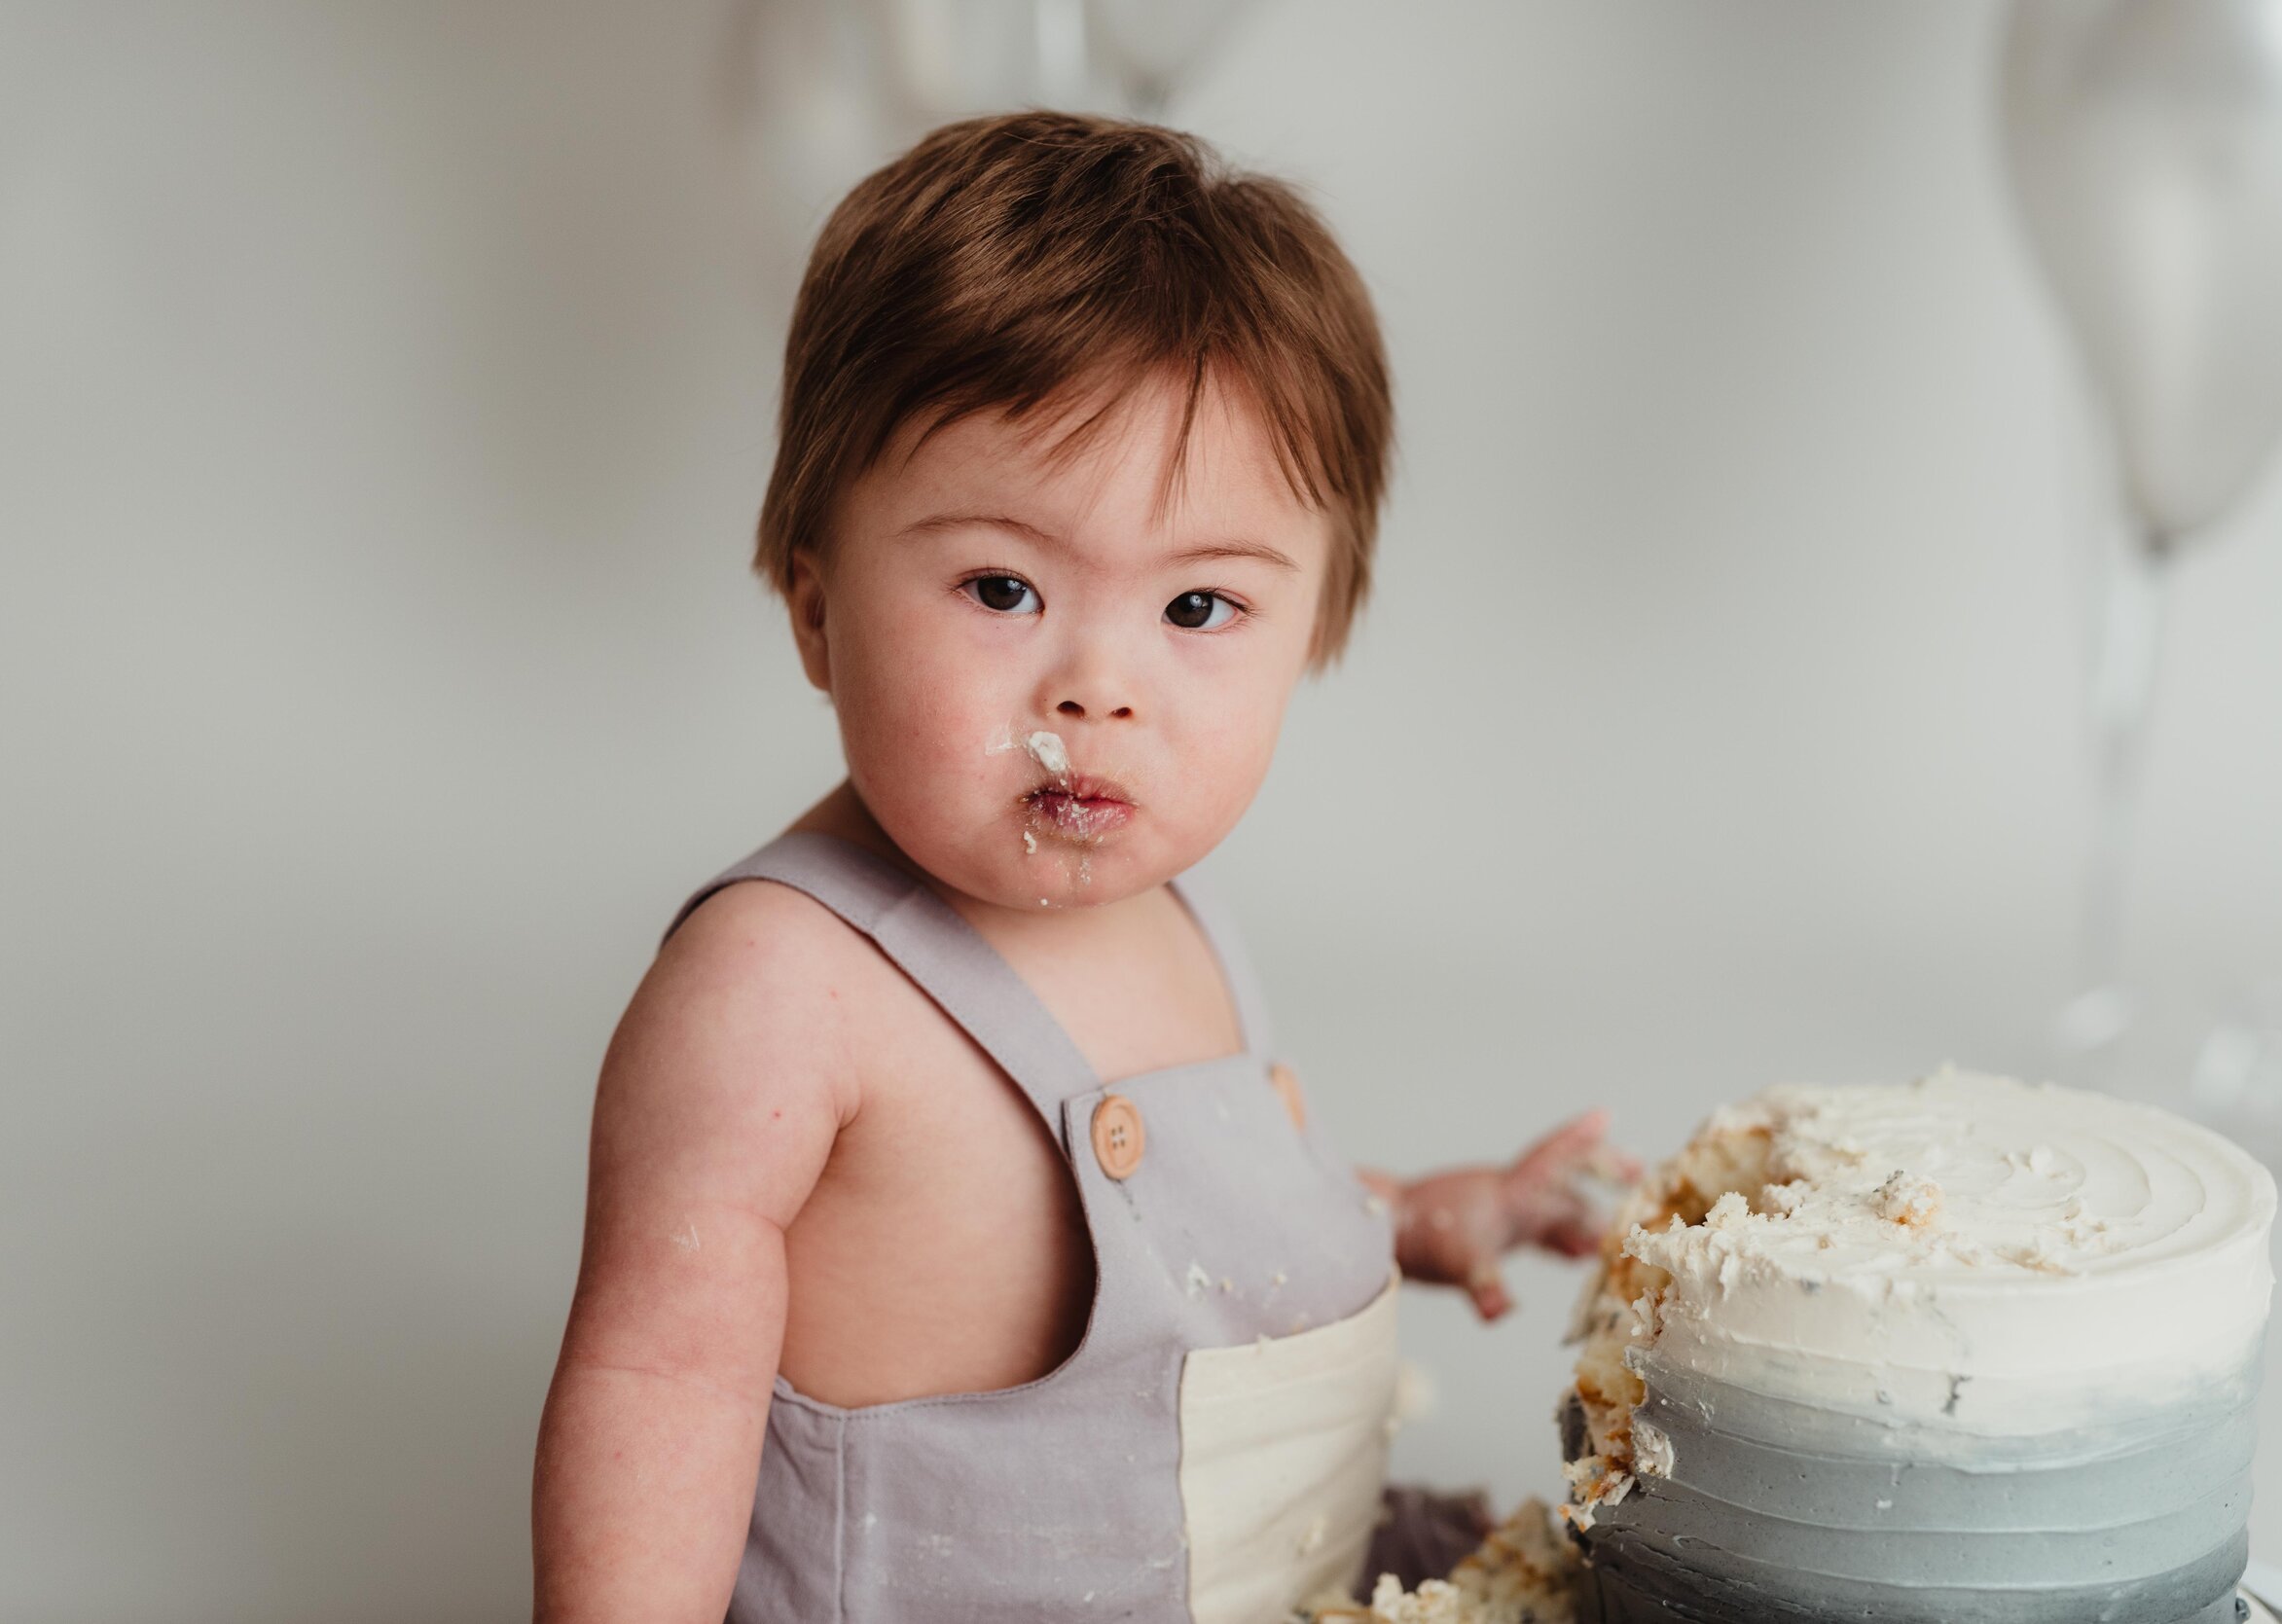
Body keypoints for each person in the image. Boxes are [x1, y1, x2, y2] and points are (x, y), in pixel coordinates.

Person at [530, 109, 1634, 1624]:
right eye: (1003, 585)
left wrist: (1409, 1212)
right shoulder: (781, 985)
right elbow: (656, 1374)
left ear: (1315, 627)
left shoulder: (1172, 918)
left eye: (1198, 609)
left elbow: (1212, 1237)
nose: (1098, 687)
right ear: (814, 603)